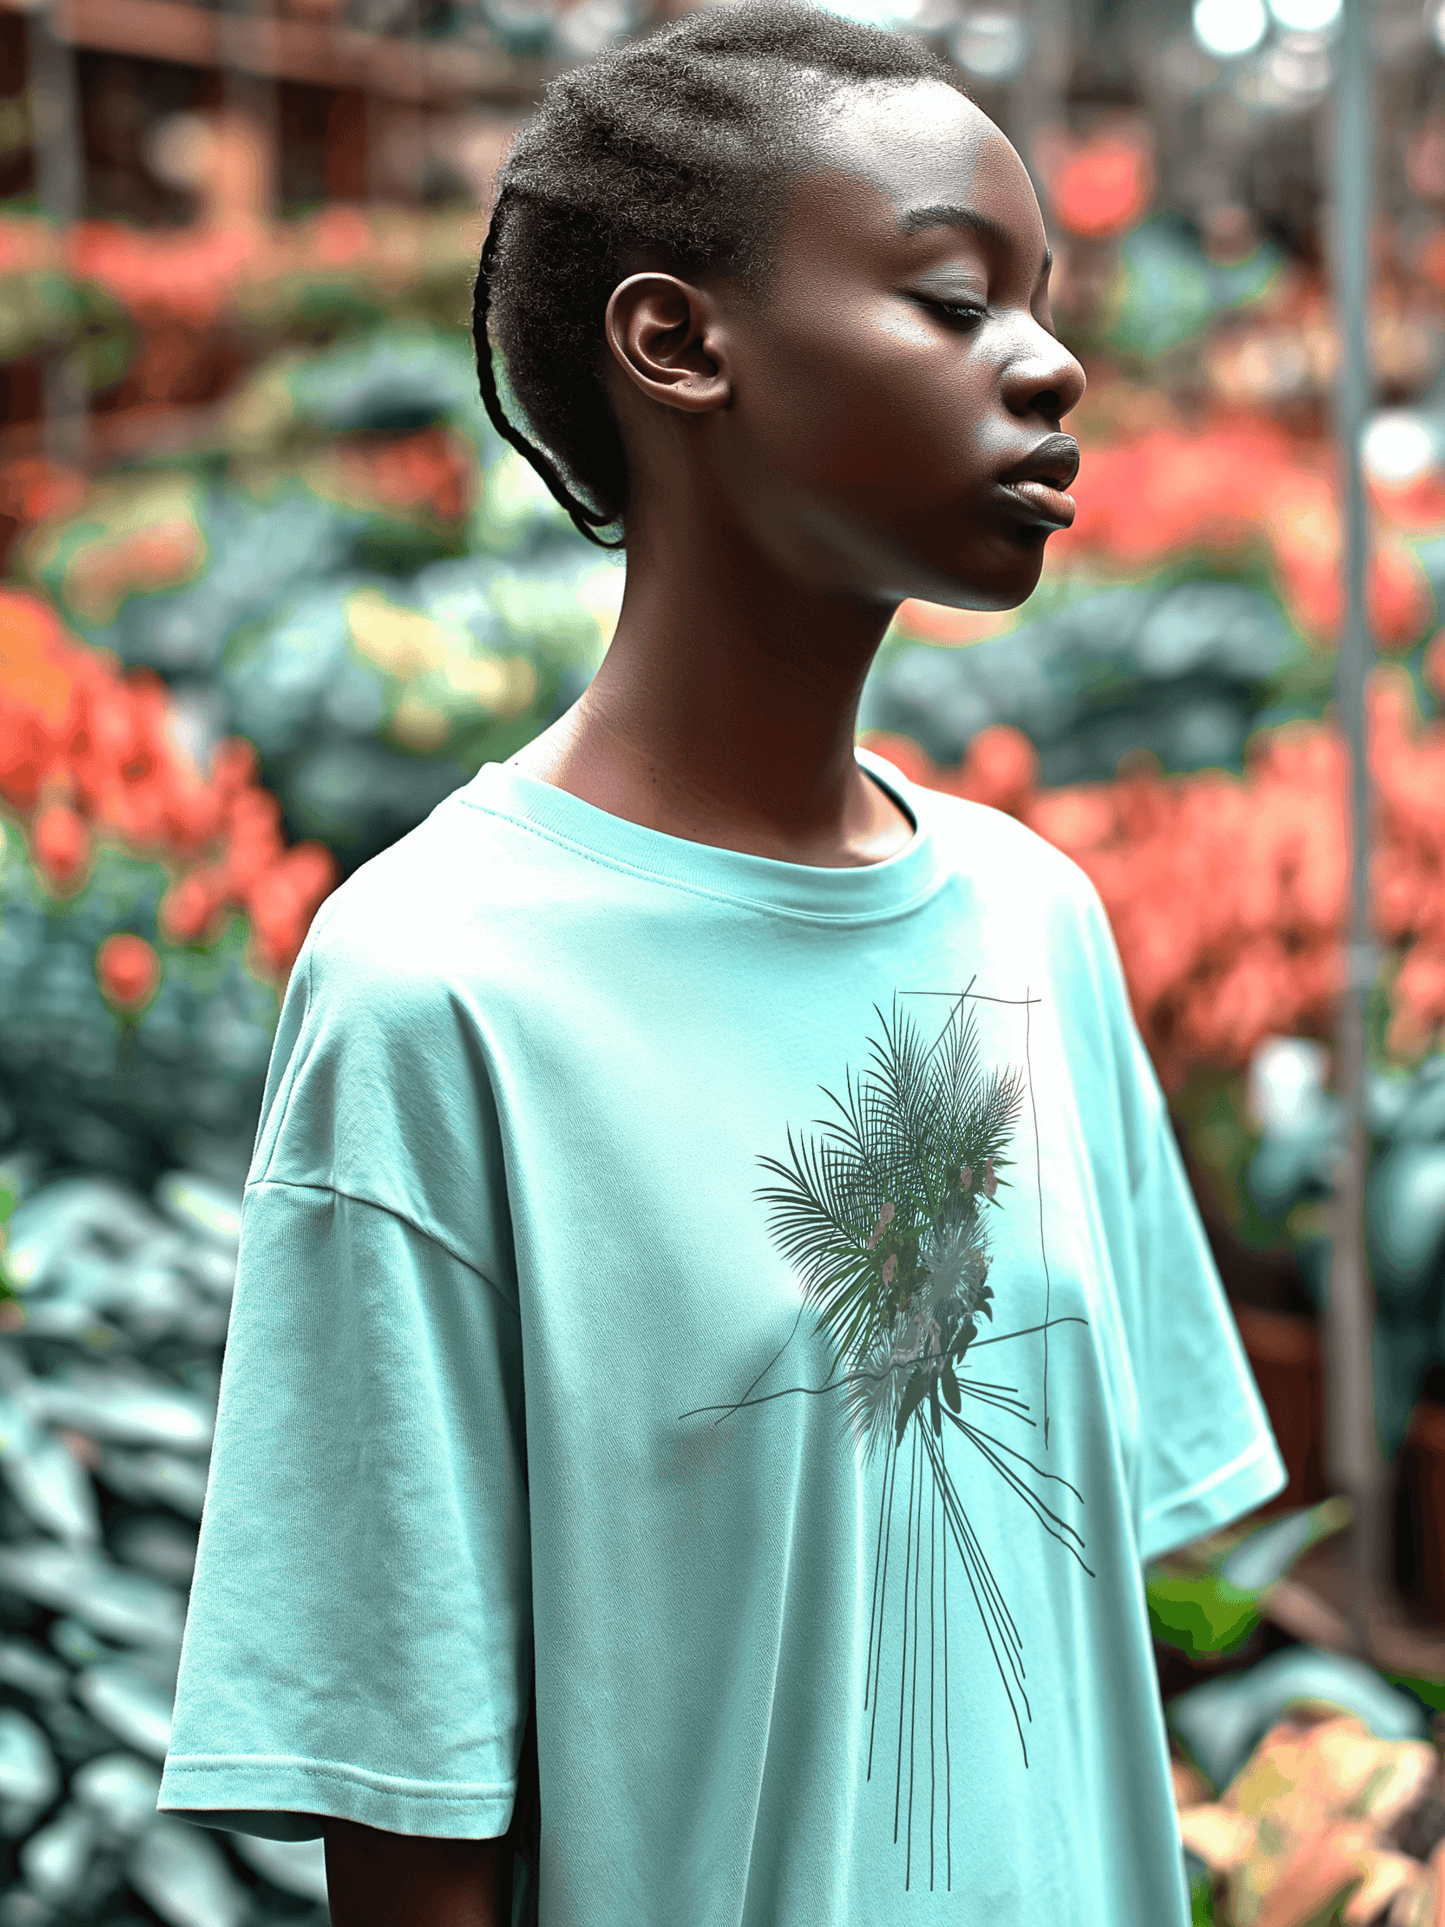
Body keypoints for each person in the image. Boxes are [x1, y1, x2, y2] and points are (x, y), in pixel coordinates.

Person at [158, 5, 1287, 1923]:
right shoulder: (438, 988)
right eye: (952, 300)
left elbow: (1098, 1623)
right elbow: (409, 1828)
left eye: (1039, 301)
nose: (1053, 363)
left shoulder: (1031, 921)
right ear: (680, 342)